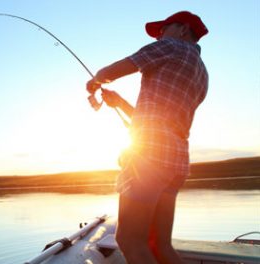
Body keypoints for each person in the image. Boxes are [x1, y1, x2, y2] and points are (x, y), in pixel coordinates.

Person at [86, 11, 209, 264]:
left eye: (163, 29)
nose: (160, 35)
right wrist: (119, 102)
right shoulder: (202, 73)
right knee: (160, 245)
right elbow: (159, 119)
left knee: (130, 241)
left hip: (149, 158)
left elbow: (110, 71)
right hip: (175, 160)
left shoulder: (170, 46)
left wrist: (95, 81)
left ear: (183, 29)